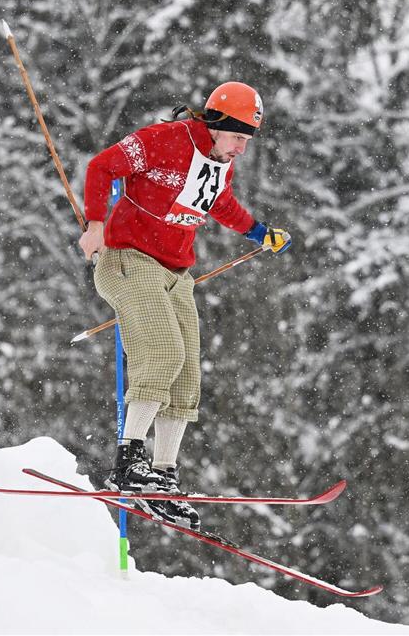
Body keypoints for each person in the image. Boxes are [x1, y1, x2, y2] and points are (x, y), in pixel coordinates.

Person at [79, 81, 291, 531]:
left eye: (247, 142)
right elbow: (102, 167)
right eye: (237, 138)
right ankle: (127, 461)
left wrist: (259, 232)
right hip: (128, 258)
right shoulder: (165, 140)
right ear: (215, 125)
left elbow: (220, 203)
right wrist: (95, 224)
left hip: (177, 274)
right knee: (162, 352)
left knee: (187, 372)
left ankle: (162, 476)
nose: (241, 149)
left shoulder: (220, 163)